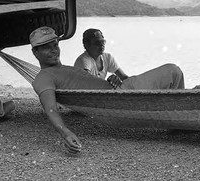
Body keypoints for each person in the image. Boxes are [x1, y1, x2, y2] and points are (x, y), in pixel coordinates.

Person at [30, 26, 184, 153]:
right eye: (45, 48)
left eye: (55, 45)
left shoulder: (66, 68)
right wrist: (66, 133)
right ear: (35, 52)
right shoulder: (43, 77)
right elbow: (50, 110)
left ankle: (179, 123)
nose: (53, 50)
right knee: (173, 71)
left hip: (118, 91)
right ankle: (180, 123)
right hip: (117, 98)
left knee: (173, 74)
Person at [74, 28, 185, 89]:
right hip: (106, 96)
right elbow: (86, 84)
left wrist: (129, 82)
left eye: (103, 42)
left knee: (175, 71)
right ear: (86, 45)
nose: (102, 45)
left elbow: (124, 78)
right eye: (97, 43)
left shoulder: (107, 57)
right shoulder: (83, 61)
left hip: (115, 91)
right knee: (172, 70)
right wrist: (109, 83)